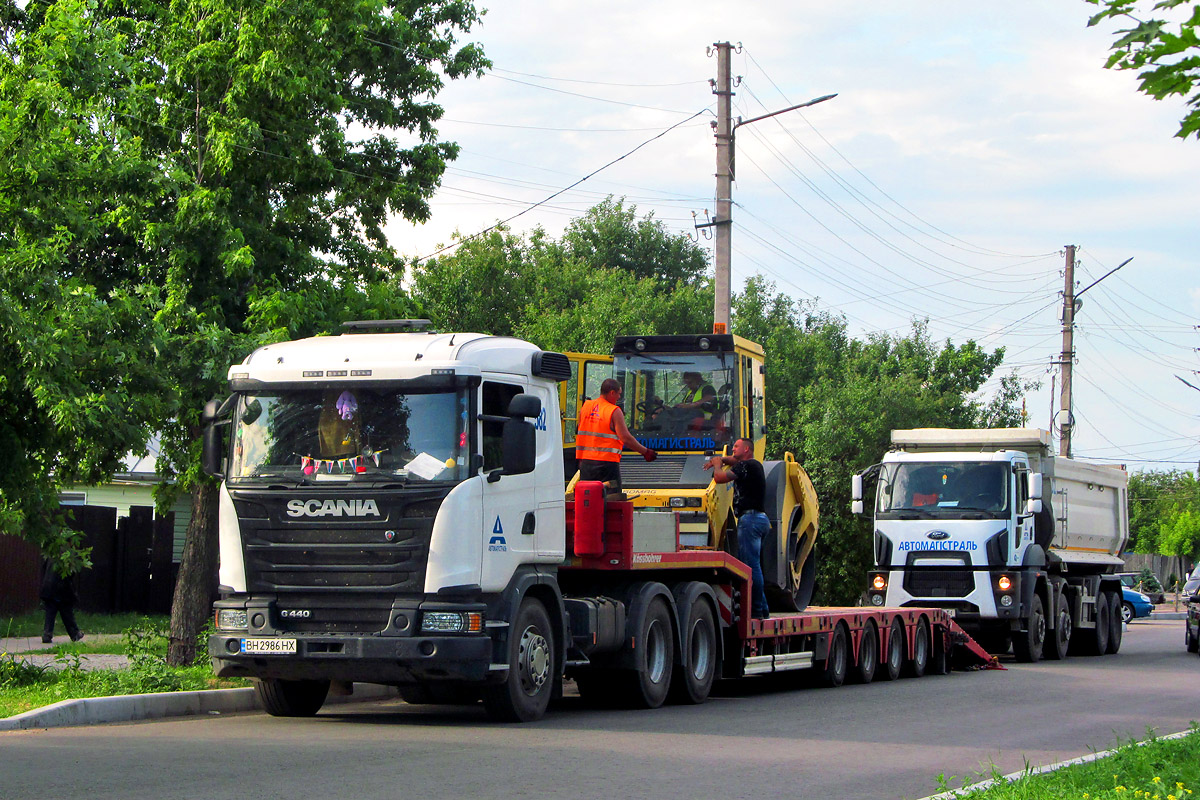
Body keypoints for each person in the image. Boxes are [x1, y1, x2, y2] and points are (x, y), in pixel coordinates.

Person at [705, 437, 770, 619]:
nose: (732, 449)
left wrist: (717, 465)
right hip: (758, 519)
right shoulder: (753, 465)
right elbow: (734, 461)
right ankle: (763, 608)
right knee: (754, 564)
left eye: (736, 446)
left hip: (750, 520)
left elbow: (719, 478)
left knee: (750, 567)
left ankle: (756, 610)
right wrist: (723, 460)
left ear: (747, 449)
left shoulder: (746, 466)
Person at [576, 378, 656, 493]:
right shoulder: (613, 411)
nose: (619, 397)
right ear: (612, 392)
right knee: (612, 500)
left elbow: (581, 430)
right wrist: (645, 452)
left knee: (589, 498)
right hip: (606, 465)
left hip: (586, 464)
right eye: (619, 394)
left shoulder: (586, 407)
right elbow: (626, 438)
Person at [40, 560, 83, 644]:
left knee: (50, 612)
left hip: (48, 587)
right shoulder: (68, 556)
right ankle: (75, 634)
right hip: (61, 588)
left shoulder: (51, 554)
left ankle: (47, 634)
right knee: (67, 612)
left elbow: (44, 568)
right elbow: (70, 574)